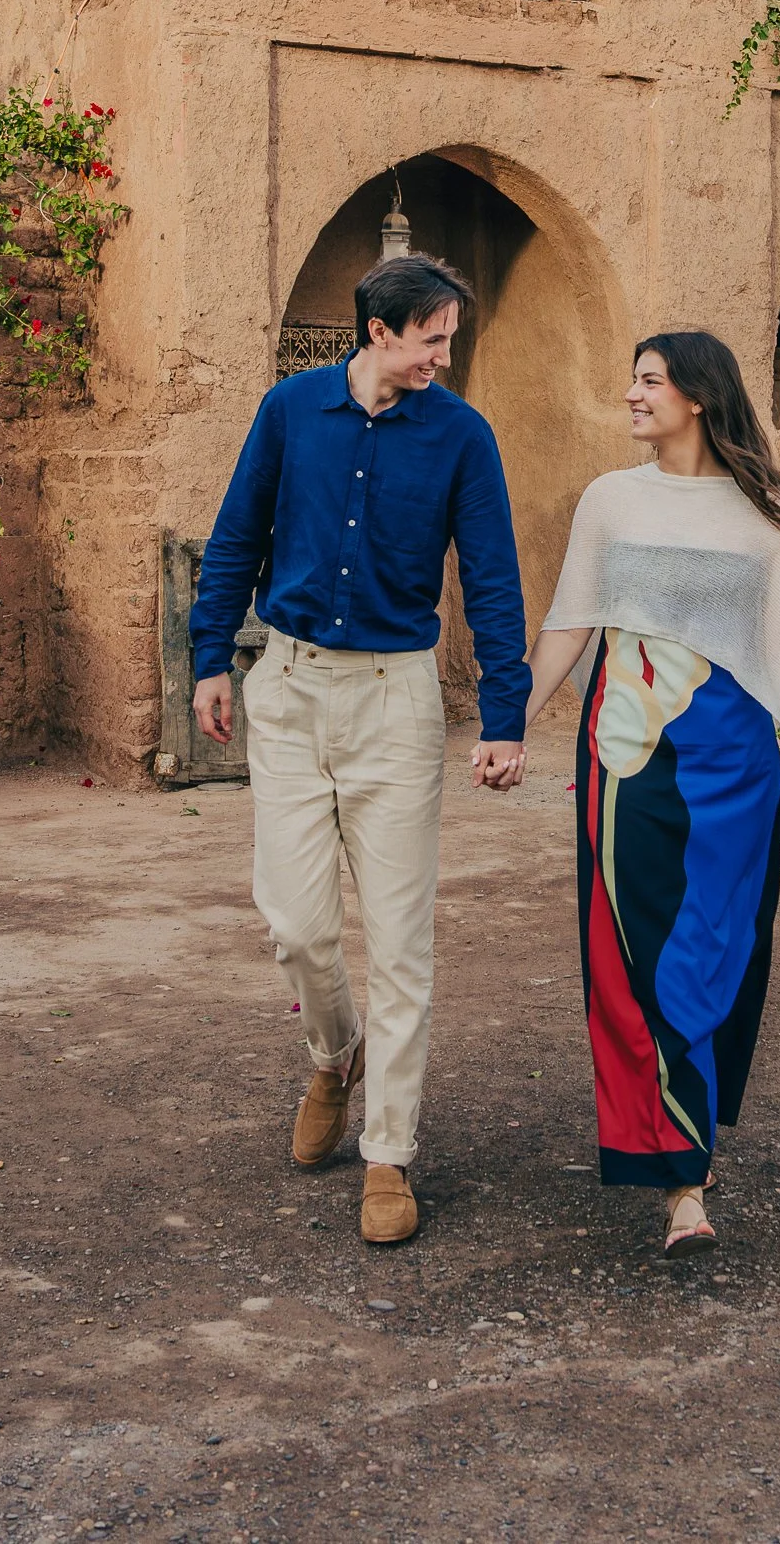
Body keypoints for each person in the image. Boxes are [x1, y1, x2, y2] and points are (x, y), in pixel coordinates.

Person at [190, 250, 530, 1246]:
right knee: (295, 924)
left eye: (449, 340)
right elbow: (236, 537)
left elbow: (493, 575)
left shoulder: (462, 436)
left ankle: (389, 1151)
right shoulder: (290, 411)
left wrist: (504, 715)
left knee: (401, 941)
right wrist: (211, 659)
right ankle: (334, 1056)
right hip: (290, 688)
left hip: (396, 700)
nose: (443, 357)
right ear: (379, 331)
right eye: (431, 340)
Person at [520, 329, 780, 1256]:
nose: (633, 395)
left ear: (699, 396)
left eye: (651, 381)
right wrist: (509, 722)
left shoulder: (765, 514)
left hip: (735, 764)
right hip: (626, 764)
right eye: (632, 380)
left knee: (714, 949)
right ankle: (681, 1180)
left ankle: (688, 1136)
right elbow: (570, 623)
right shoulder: (610, 500)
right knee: (635, 958)